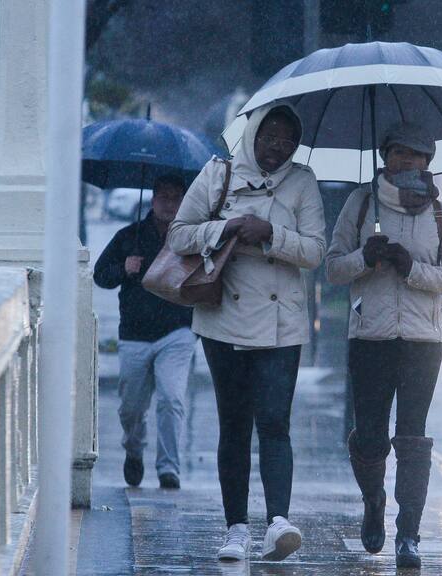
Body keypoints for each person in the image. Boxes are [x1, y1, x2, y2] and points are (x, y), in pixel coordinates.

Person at [168, 103, 325, 562]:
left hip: (282, 325)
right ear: (252, 136)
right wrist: (229, 228)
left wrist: (272, 234)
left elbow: (314, 250)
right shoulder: (218, 174)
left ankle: (278, 522)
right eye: (269, 137)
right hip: (224, 320)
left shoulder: (303, 182)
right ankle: (236, 527)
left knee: (275, 422)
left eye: (287, 141)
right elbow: (179, 234)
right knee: (234, 425)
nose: (276, 147)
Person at [325, 123, 442, 568]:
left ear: (428, 163)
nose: (406, 162)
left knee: (412, 437)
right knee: (370, 437)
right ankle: (374, 499)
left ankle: (408, 533)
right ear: (385, 156)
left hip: (422, 340)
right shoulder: (360, 204)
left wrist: (413, 269)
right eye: (398, 153)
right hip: (369, 337)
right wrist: (364, 259)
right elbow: (332, 269)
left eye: (416, 156)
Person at [94, 174, 196, 490]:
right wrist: (125, 268)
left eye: (175, 197)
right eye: (162, 197)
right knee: (131, 407)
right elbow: (100, 275)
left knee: (171, 399)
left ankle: (169, 468)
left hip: (177, 332)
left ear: (183, 202)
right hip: (135, 334)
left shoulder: (191, 239)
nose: (168, 203)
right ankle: (134, 449)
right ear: (152, 200)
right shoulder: (130, 236)